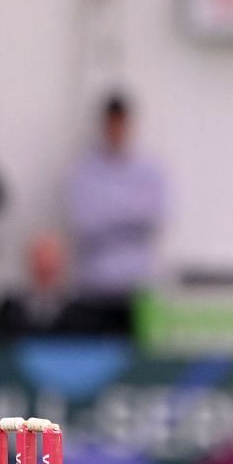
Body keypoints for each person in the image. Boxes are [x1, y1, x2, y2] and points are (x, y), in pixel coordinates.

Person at [66, 92, 165, 338]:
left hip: (136, 287)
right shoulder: (84, 170)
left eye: (121, 123)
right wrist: (129, 213)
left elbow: (154, 218)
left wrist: (109, 214)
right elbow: (84, 222)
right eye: (111, 123)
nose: (116, 129)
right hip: (94, 286)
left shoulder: (150, 169)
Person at [0, 231, 100, 343]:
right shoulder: (10, 311)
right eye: (41, 266)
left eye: (50, 268)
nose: (45, 269)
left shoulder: (80, 314)